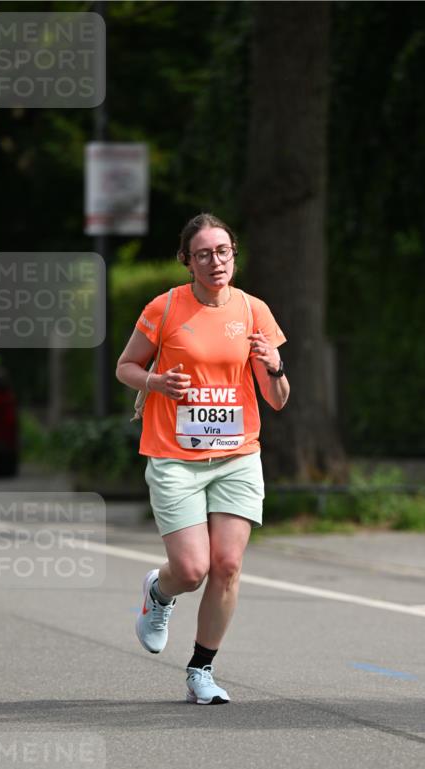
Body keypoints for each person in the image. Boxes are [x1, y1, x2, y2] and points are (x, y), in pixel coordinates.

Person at [116, 213, 289, 704]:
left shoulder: (255, 311)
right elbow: (125, 366)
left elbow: (277, 398)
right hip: (175, 456)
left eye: (223, 252)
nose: (215, 261)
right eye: (204, 254)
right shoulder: (165, 306)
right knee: (191, 570)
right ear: (187, 261)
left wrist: (275, 364)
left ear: (234, 255)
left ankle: (201, 670)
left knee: (228, 564)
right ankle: (159, 592)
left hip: (237, 455)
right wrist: (156, 382)